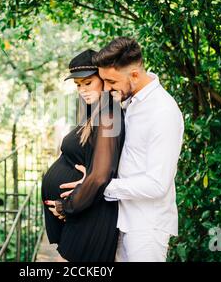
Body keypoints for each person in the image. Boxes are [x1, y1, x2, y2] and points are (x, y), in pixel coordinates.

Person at [60, 37, 184, 262]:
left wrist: (99, 187)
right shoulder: (131, 101)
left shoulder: (163, 111)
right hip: (121, 219)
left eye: (111, 82)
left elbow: (158, 183)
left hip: (146, 228)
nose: (106, 88)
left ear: (134, 75)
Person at [41, 49, 125, 262]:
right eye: (78, 85)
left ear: (104, 79)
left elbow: (100, 176)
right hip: (84, 214)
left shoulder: (109, 114)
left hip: (92, 217)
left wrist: (67, 206)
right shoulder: (94, 112)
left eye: (88, 83)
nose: (83, 90)